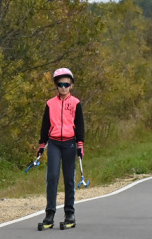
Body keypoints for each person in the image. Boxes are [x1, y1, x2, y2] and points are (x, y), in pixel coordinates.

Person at [37, 68, 85, 229]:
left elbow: (79, 126)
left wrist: (80, 145)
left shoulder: (76, 103)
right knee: (52, 176)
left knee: (69, 179)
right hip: (55, 143)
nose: (63, 87)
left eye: (66, 84)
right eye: (60, 84)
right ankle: (49, 214)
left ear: (71, 85)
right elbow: (45, 125)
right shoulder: (50, 104)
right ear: (56, 86)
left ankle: (69, 213)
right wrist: (42, 144)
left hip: (70, 143)